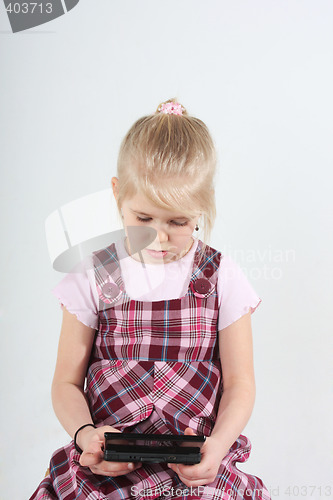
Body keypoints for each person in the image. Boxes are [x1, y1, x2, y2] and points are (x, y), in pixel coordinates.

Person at [30, 99, 271, 500]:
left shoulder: (220, 275)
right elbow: (66, 382)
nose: (158, 237)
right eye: (143, 219)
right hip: (108, 466)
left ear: (202, 204)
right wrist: (86, 435)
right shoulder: (94, 274)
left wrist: (219, 445)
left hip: (197, 464)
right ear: (117, 192)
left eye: (177, 222)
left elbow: (241, 383)